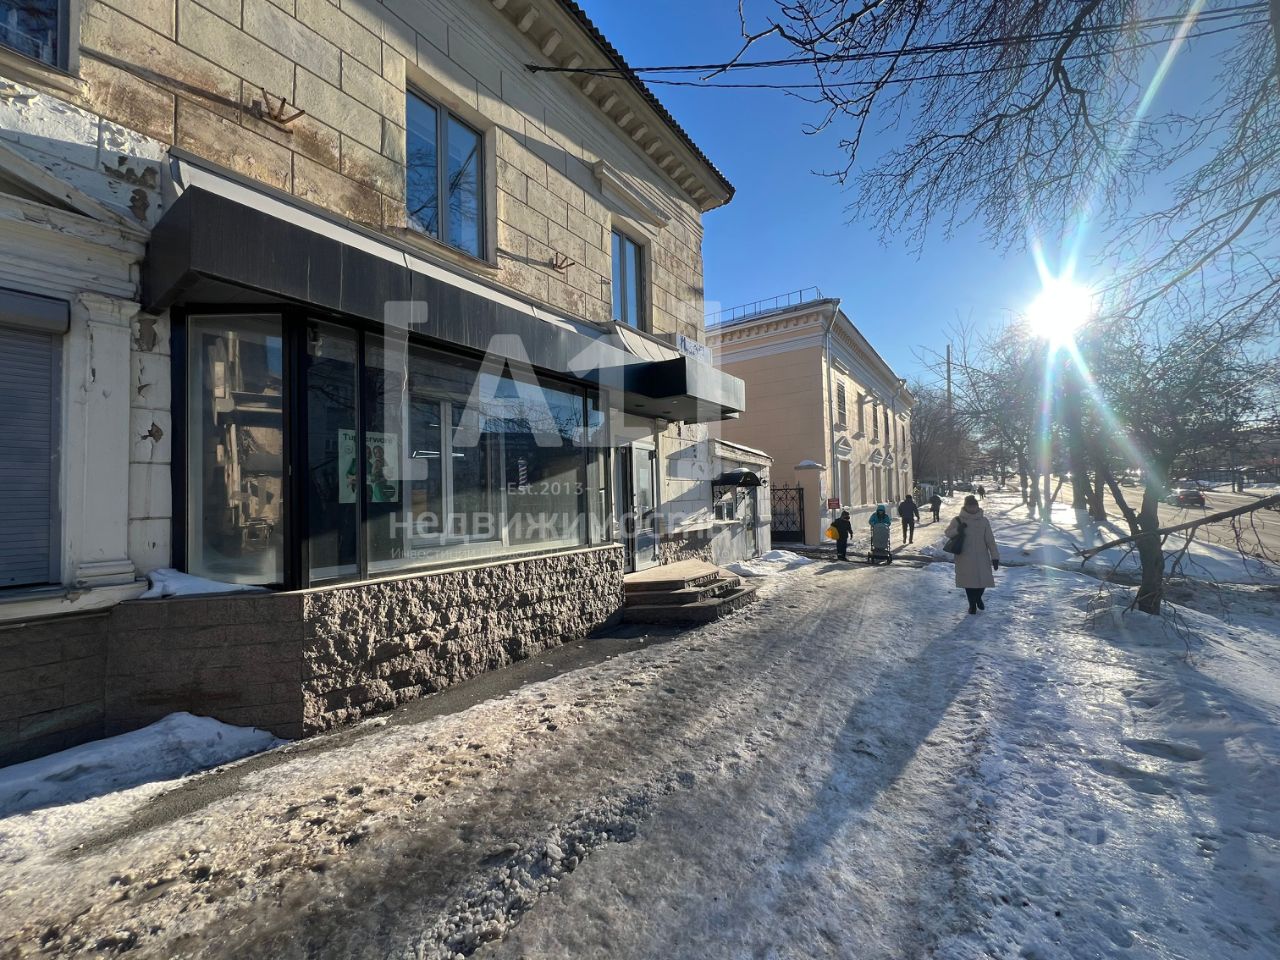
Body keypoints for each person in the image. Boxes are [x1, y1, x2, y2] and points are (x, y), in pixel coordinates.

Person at [945, 494, 1000, 614]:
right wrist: (957, 530)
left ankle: (978, 598)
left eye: (974, 506)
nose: (972, 508)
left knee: (983, 581)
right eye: (970, 506)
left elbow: (990, 540)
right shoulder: (957, 520)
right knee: (968, 582)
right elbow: (948, 533)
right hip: (964, 557)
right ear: (965, 506)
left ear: (977, 506)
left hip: (982, 557)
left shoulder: (984, 521)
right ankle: (972, 605)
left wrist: (995, 557)